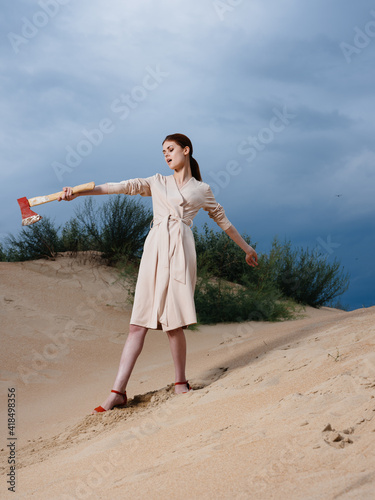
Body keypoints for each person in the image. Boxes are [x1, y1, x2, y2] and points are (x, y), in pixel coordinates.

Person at [59, 133, 258, 413]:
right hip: (154, 249)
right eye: (163, 151)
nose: (166, 155)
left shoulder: (202, 189)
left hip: (180, 249)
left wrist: (247, 249)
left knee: (173, 322)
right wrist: (79, 192)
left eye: (171, 149)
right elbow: (118, 187)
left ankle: (180, 383)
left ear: (186, 150)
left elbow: (224, 222)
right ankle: (117, 392)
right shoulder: (157, 182)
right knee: (137, 323)